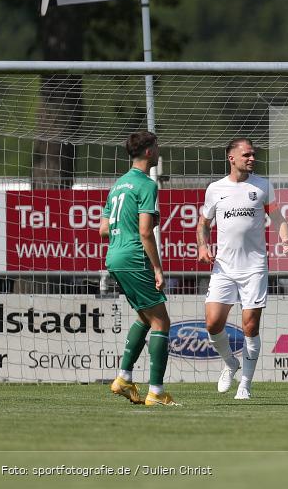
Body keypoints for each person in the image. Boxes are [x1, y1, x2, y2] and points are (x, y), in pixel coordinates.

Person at [197, 138, 288, 400]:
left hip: (254, 268)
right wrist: (203, 246)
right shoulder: (215, 189)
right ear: (232, 158)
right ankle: (230, 363)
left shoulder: (262, 186)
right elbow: (203, 223)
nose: (252, 159)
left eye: (253, 155)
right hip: (224, 268)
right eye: (247, 155)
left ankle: (245, 385)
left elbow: (278, 218)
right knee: (213, 323)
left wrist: (284, 239)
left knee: (250, 327)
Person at [102, 131, 177, 407]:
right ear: (148, 152)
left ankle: (123, 378)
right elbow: (146, 232)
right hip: (134, 257)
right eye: (157, 147)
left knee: (145, 318)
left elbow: (102, 230)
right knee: (161, 322)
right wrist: (157, 268)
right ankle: (156, 392)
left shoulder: (118, 185)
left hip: (114, 257)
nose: (159, 151)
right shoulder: (146, 185)